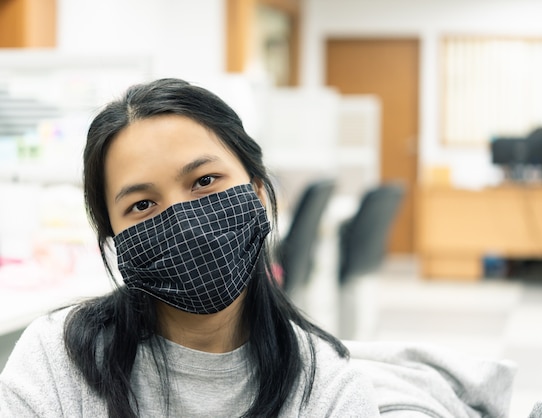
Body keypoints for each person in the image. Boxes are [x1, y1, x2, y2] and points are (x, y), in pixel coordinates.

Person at [0, 78, 380, 417]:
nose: (185, 221)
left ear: (258, 192)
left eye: (205, 180)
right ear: (115, 241)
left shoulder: (328, 390)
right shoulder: (56, 360)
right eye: (142, 205)